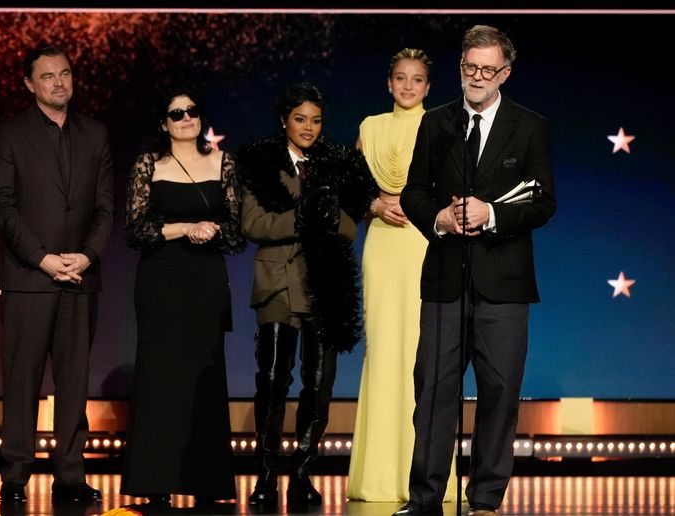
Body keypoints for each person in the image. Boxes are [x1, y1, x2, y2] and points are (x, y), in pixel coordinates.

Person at [394, 25, 556, 516]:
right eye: (470, 67)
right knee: (435, 390)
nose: (477, 76)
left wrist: (492, 214)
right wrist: (438, 219)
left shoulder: (529, 127)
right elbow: (413, 193)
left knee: (499, 393)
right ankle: (425, 498)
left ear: (505, 73)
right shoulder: (438, 123)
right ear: (460, 67)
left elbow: (543, 202)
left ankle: (485, 498)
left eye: (488, 69)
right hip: (445, 279)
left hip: (504, 284)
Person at [0, 43, 114, 504]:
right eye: (48, 76)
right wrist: (40, 257)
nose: (59, 82)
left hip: (80, 278)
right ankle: (15, 475)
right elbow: (0, 205)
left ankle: (70, 475)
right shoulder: (10, 134)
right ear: (28, 83)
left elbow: (104, 207)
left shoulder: (95, 133)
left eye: (65, 73)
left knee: (74, 381)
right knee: (22, 380)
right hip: (29, 277)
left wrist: (87, 256)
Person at [237, 82, 375, 506]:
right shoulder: (261, 163)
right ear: (284, 121)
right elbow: (253, 224)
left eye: (316, 121)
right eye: (300, 119)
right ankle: (265, 474)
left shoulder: (339, 165)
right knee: (274, 381)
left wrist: (330, 220)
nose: (308, 128)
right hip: (278, 283)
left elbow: (353, 221)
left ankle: (301, 471)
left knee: (318, 384)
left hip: (323, 285)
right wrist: (305, 218)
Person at [120, 86, 244, 505]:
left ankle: (207, 483)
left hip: (205, 280)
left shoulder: (223, 162)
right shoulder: (147, 166)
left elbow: (235, 231)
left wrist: (209, 230)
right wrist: (182, 229)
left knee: (203, 377)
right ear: (164, 123)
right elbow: (135, 230)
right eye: (177, 113)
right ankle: (154, 484)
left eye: (192, 111)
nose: (186, 118)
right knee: (159, 377)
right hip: (160, 280)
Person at [348, 48, 457, 504]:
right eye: (400, 78)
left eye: (417, 79)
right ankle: (377, 477)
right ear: (389, 82)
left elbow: (456, 184)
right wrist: (374, 204)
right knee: (384, 350)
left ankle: (427, 479)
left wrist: (422, 210)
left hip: (424, 242)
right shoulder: (369, 128)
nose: (408, 86)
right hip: (381, 244)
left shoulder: (444, 124)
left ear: (429, 87)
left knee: (424, 353)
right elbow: (350, 185)